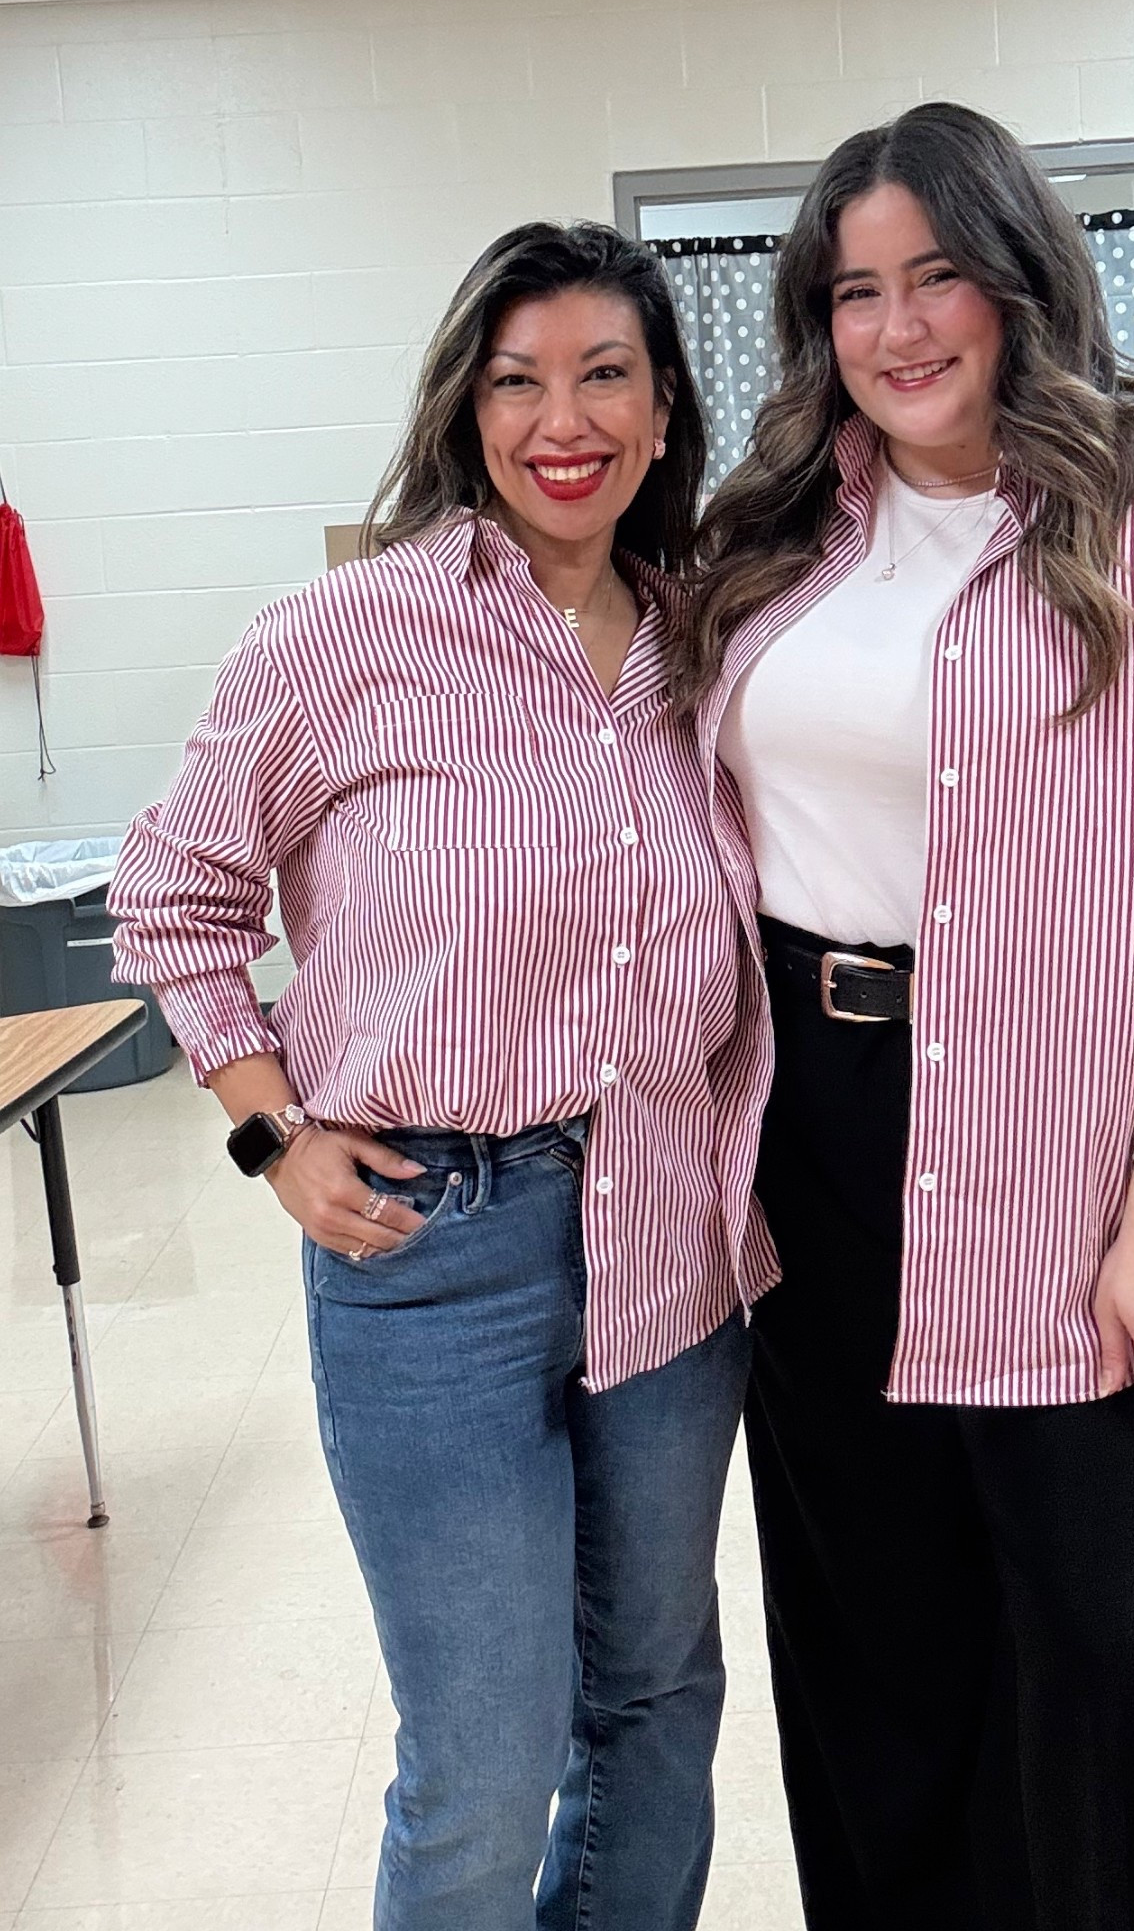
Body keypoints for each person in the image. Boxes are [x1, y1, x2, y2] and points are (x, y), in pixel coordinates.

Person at [674, 103, 1134, 1931]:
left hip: (1071, 1138)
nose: (897, 330)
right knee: (874, 1637)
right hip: (811, 1134)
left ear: (1021, 277)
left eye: (937, 276)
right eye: (855, 291)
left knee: (1097, 1640)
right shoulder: (785, 532)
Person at [108, 222, 778, 1931]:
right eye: (519, 380)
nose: (566, 419)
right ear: (466, 409)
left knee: (657, 1706)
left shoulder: (712, 638)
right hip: (435, 1251)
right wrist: (267, 1123)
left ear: (660, 402)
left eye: (606, 373)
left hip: (672, 1236)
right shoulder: (345, 633)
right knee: (483, 1753)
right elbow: (175, 889)